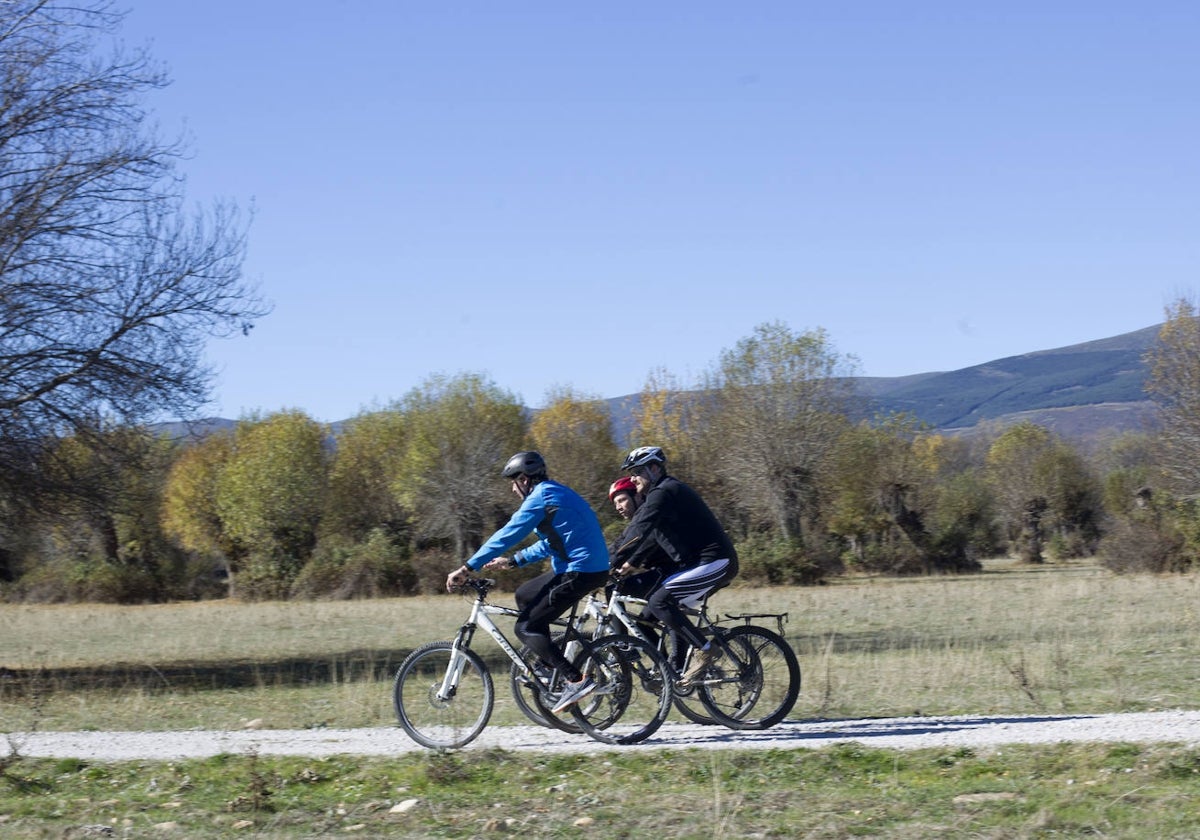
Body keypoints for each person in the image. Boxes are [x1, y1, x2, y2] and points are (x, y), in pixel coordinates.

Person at [446, 451, 610, 713]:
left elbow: (508, 534)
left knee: (526, 628)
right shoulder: (555, 492)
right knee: (524, 595)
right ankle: (548, 667)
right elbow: (552, 541)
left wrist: (467, 568)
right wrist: (513, 562)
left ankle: (575, 680)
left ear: (524, 479)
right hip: (582, 567)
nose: (513, 489)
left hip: (580, 570)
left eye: (514, 482)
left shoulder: (541, 497)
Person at [612, 446, 739, 684]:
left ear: (654, 469)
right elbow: (639, 533)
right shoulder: (660, 494)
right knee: (647, 618)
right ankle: (676, 669)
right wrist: (617, 560)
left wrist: (608, 561)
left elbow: (637, 531)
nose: (632, 479)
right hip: (696, 565)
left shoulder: (665, 491)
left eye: (636, 472)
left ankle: (705, 649)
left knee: (659, 602)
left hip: (715, 561)